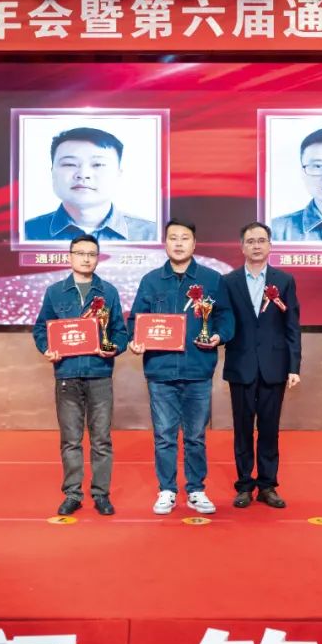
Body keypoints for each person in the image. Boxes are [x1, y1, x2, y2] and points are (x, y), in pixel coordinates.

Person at [127, 219, 234, 515]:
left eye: (184, 238)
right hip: (160, 371)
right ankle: (167, 490)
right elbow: (136, 319)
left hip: (198, 369)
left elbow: (225, 317)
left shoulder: (212, 279)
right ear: (165, 243)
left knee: (195, 436)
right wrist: (136, 340)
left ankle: (196, 490)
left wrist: (219, 335)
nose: (178, 243)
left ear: (194, 244)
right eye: (172, 237)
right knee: (164, 435)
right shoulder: (151, 280)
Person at [32, 233, 128, 517]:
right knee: (70, 439)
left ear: (97, 258)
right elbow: (41, 329)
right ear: (70, 256)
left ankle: (101, 494)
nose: (86, 259)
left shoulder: (108, 292)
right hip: (67, 373)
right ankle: (72, 494)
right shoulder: (55, 292)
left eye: (92, 254)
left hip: (99, 374)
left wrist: (113, 348)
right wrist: (47, 348)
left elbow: (120, 332)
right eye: (81, 253)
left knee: (101, 440)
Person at [221, 222, 301, 509]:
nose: (256, 245)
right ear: (242, 246)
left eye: (261, 240)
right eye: (250, 241)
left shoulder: (284, 280)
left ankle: (268, 485)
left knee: (269, 428)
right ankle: (244, 485)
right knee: (242, 429)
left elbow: (292, 326)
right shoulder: (228, 282)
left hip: (274, 366)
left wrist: (294, 366)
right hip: (241, 364)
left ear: (270, 245)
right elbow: (224, 320)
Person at [23, 126, 158, 242]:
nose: (83, 174)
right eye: (69, 164)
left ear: (118, 174)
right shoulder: (23, 233)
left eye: (98, 164)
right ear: (52, 173)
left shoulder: (154, 235)